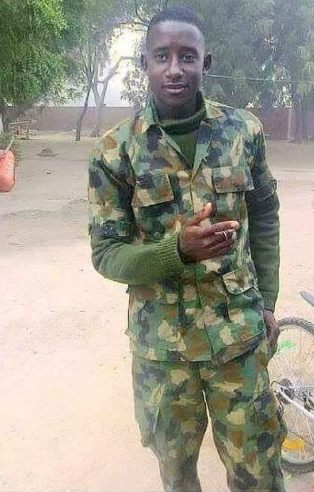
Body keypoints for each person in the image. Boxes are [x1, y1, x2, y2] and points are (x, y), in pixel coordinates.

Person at [88, 6, 286, 492]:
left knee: (258, 472)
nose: (174, 68)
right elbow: (107, 252)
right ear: (145, 63)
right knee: (176, 476)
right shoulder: (115, 150)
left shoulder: (244, 132)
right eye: (162, 56)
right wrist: (175, 250)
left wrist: (267, 301)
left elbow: (265, 217)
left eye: (187, 56)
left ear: (206, 62)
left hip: (238, 337)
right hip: (163, 350)